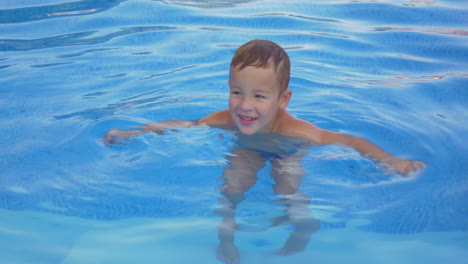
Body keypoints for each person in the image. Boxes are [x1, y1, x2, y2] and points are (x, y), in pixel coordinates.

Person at [102, 39, 426, 263]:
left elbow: (350, 142)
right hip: (248, 149)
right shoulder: (225, 119)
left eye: (259, 96)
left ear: (283, 100)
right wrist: (132, 133)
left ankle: (303, 226)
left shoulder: (296, 130)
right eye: (236, 92)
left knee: (287, 186)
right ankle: (225, 236)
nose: (244, 106)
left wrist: (391, 160)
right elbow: (184, 125)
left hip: (286, 151)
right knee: (233, 183)